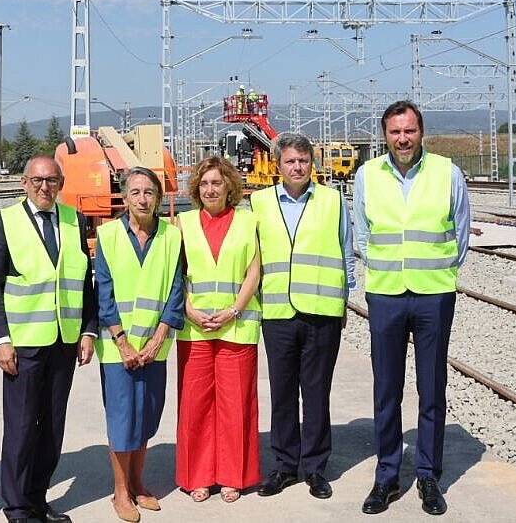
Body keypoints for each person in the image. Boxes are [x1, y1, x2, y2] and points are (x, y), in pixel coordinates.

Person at [354, 100, 470, 516]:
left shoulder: (447, 173)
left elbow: (460, 234)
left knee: (431, 388)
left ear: (422, 132)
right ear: (384, 135)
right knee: (386, 390)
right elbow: (362, 235)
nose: (402, 139)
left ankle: (428, 475)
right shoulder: (367, 175)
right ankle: (386, 476)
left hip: (433, 295)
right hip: (385, 294)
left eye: (410, 131)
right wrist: (385, 268)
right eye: (395, 132)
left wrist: (438, 273)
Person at [0, 155, 98, 523]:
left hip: (64, 341)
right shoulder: (3, 222)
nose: (44, 187)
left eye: (51, 180)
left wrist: (88, 330)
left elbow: (84, 281)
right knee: (20, 428)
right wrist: (1, 339)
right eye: (37, 180)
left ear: (61, 183)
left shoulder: (75, 221)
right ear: (24, 183)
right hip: (23, 344)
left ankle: (36, 498)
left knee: (51, 427)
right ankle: (17, 508)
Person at [251, 133, 354, 500]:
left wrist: (344, 301)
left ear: (313, 163)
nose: (297, 167)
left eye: (303, 161)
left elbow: (346, 251)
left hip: (322, 312)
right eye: (290, 161)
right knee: (282, 392)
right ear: (277, 165)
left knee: (316, 392)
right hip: (277, 312)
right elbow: (252, 257)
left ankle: (315, 467)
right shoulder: (258, 203)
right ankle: (284, 465)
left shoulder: (333, 200)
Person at [94, 167, 183, 523]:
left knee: (146, 415)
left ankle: (137, 482)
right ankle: (120, 491)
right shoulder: (108, 236)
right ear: (125, 197)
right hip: (119, 348)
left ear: (158, 197)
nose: (143, 199)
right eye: (135, 192)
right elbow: (103, 293)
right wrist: (122, 342)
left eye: (149, 192)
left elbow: (176, 290)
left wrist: (159, 337)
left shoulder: (171, 237)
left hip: (154, 347)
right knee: (122, 419)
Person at [174, 155, 261, 504]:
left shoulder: (248, 221)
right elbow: (175, 273)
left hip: (236, 327)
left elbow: (254, 271)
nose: (210, 189)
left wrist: (234, 310)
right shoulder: (183, 223)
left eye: (217, 182)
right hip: (194, 328)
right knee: (194, 404)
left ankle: (232, 476)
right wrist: (188, 310)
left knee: (235, 404)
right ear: (197, 189)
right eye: (205, 183)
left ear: (229, 186)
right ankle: (197, 476)